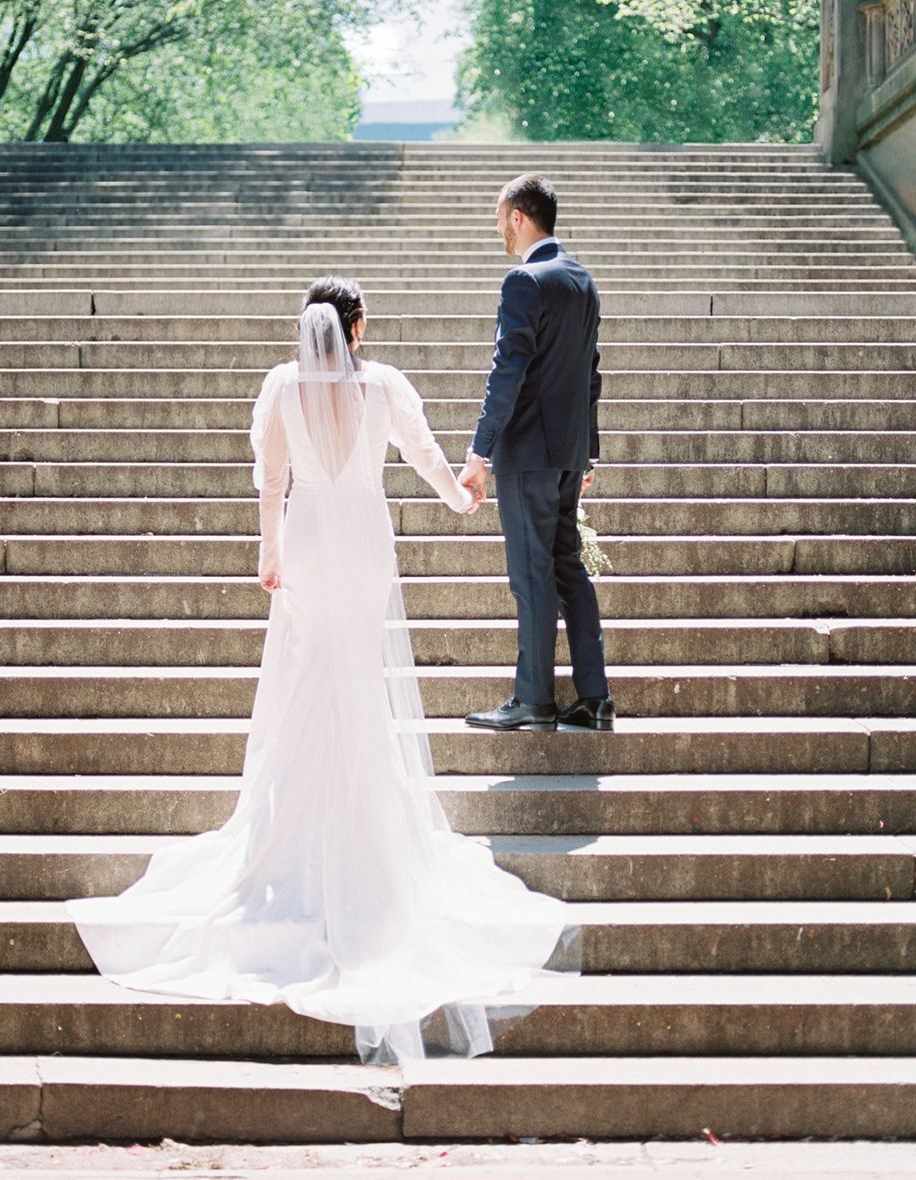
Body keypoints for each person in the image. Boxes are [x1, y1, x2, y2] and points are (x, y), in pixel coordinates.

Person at [68, 275, 567, 1063]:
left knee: (304, 687)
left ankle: (291, 834)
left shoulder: (279, 386)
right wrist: (463, 496)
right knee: (355, 685)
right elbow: (428, 457)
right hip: (364, 542)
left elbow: (272, 479)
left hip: (307, 543)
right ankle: (366, 832)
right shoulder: (386, 385)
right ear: (357, 327)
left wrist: (268, 549)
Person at [459, 175, 613, 731]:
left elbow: (509, 370)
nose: (498, 228)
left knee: (532, 573)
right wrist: (586, 452)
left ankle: (535, 699)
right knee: (568, 567)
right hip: (569, 451)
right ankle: (595, 698)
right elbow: (590, 372)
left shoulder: (524, 279)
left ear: (519, 216)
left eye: (500, 217)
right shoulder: (582, 280)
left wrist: (480, 450)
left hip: (529, 453)